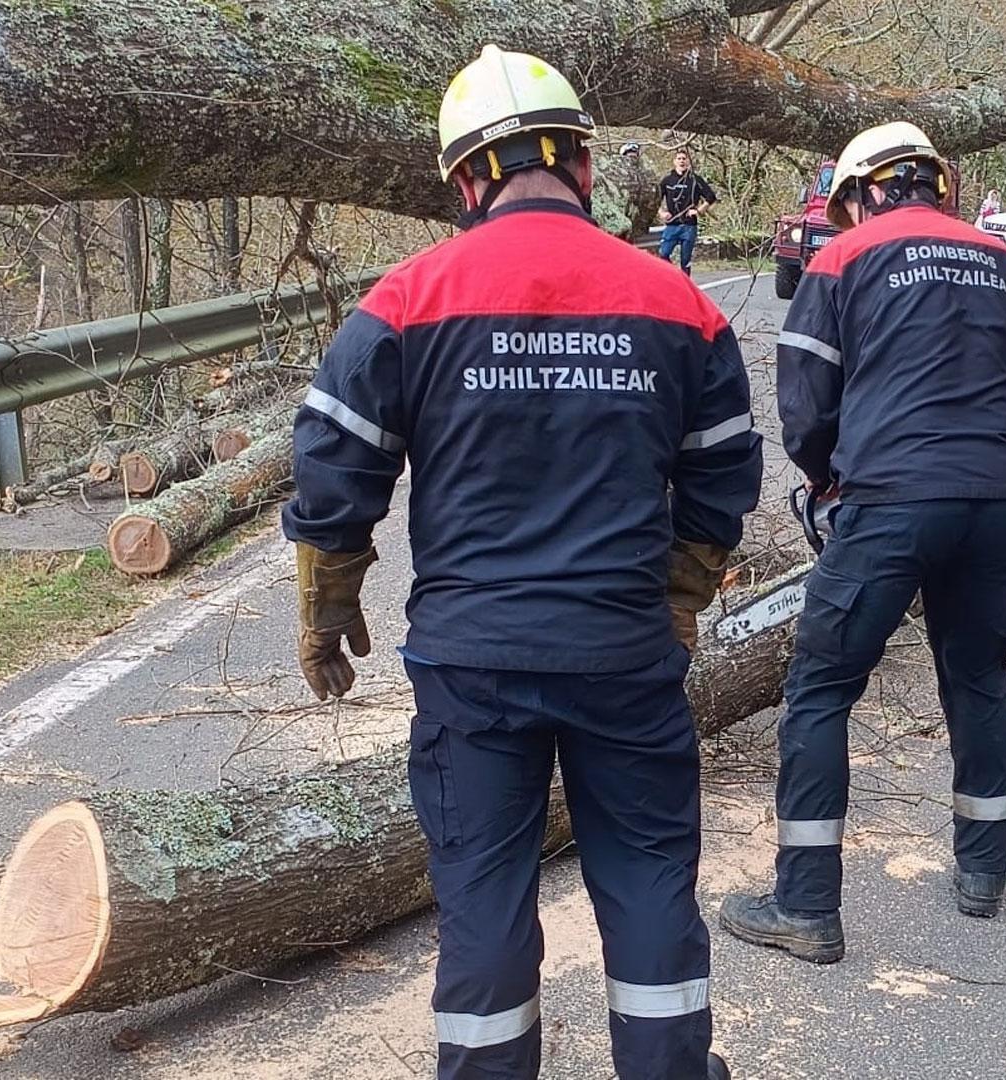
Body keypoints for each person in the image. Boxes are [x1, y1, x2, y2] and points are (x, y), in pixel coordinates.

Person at [283, 45, 760, 1079]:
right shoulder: (675, 302)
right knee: (645, 883)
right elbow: (724, 470)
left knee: (483, 896)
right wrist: (681, 594)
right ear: (584, 165)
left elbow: (333, 458)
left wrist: (327, 598)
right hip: (622, 654)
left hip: (473, 666)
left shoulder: (408, 300)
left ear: (465, 181)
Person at [718, 121, 1006, 963]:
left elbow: (806, 399)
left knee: (822, 687)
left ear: (860, 194)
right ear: (938, 185)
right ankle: (982, 875)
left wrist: (830, 478)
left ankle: (807, 904)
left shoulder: (841, 260)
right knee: (976, 674)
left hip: (892, 498)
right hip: (998, 507)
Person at [657, 149, 718, 276]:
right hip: (672, 224)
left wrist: (699, 210)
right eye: (679, 158)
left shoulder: (694, 179)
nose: (681, 161)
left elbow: (711, 196)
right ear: (674, 161)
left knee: (685, 261)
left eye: (684, 159)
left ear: (688, 161)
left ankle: (686, 286)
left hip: (689, 226)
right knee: (663, 254)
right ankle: (675, 276)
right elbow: (654, 199)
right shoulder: (667, 180)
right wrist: (661, 213)